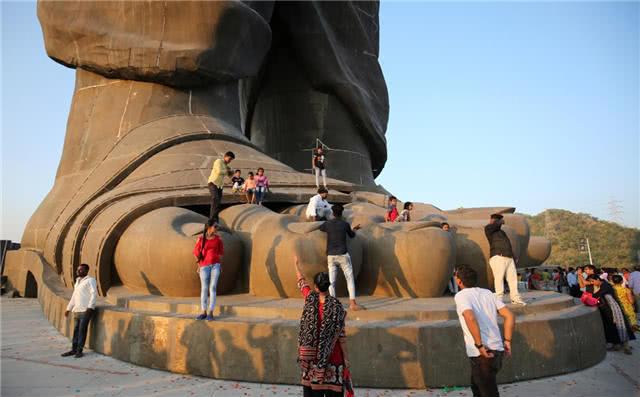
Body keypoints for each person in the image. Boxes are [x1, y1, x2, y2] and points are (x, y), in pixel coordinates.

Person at [454, 265, 515, 397]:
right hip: (497, 349)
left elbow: (470, 317)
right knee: (477, 387)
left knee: (487, 392)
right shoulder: (488, 293)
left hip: (483, 353)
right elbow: (509, 315)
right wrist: (508, 341)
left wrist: (479, 345)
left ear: (459, 281)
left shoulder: (461, 296)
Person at [294, 256, 350, 397]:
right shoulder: (336, 306)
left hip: (312, 359)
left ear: (316, 287)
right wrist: (346, 358)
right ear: (328, 286)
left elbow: (301, 282)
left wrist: (296, 265)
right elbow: (341, 335)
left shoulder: (310, 299)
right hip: (333, 358)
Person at [319, 204, 364, 311]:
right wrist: (355, 229)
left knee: (331, 281)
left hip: (331, 255)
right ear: (341, 213)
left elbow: (321, 227)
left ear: (332, 213)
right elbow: (352, 235)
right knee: (349, 278)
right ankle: (352, 303)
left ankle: (333, 305)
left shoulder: (328, 224)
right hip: (343, 254)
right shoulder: (345, 224)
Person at [484, 214, 526, 305]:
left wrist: (514, 256)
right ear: (492, 220)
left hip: (509, 257)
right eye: (495, 220)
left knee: (513, 279)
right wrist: (498, 222)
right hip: (498, 256)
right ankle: (499, 299)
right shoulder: (488, 229)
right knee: (499, 278)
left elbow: (508, 244)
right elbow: (494, 226)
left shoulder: (502, 232)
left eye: (497, 220)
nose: (496, 221)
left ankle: (515, 298)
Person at [587, 275, 634, 354]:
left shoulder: (605, 285)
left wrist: (589, 297)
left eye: (593, 281)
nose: (592, 283)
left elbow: (598, 294)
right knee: (612, 327)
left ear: (598, 279)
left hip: (614, 308)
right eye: (591, 282)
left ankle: (626, 347)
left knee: (621, 326)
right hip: (607, 309)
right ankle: (617, 345)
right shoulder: (600, 286)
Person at [62, 263, 98, 358]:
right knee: (76, 330)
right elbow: (74, 296)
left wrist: (90, 307)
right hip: (77, 310)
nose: (78, 271)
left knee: (82, 330)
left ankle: (79, 351)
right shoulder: (77, 281)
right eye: (78, 269)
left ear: (86, 271)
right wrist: (68, 308)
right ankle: (73, 349)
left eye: (81, 270)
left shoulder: (90, 280)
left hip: (85, 310)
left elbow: (94, 294)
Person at [192, 221, 224, 321]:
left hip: (215, 266)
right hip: (204, 266)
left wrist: (220, 265)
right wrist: (199, 266)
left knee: (213, 287)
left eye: (217, 226)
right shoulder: (201, 239)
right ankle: (203, 312)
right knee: (204, 288)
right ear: (209, 227)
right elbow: (195, 253)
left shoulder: (218, 239)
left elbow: (220, 253)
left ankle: (211, 312)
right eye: (215, 226)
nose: (217, 228)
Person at [207, 151, 235, 223]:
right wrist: (227, 170)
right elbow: (219, 171)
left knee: (218, 202)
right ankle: (211, 219)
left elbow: (229, 176)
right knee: (215, 198)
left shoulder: (226, 166)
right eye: (229, 158)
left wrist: (231, 172)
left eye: (231, 159)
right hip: (213, 183)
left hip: (220, 186)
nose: (230, 160)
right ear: (225, 156)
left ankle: (215, 219)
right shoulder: (218, 161)